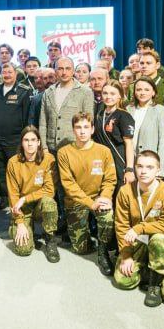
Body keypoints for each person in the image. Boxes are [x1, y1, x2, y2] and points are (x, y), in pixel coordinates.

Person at [113, 150, 164, 305]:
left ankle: (155, 284)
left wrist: (140, 228)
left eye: (149, 167)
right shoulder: (125, 191)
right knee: (124, 281)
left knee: (160, 239)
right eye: (140, 166)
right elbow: (121, 225)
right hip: (136, 241)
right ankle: (145, 268)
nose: (143, 171)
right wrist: (126, 255)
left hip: (157, 240)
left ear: (158, 170)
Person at [57, 113, 117, 269]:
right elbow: (69, 185)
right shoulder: (64, 153)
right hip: (77, 201)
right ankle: (80, 234)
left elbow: (110, 180)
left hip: (99, 197)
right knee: (80, 249)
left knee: (107, 215)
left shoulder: (104, 151)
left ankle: (102, 251)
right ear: (73, 130)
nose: (82, 131)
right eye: (78, 127)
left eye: (86, 127)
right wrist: (90, 203)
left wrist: (104, 198)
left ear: (92, 130)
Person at [6, 126, 59, 262]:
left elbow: (49, 190)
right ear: (22, 142)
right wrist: (20, 222)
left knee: (49, 203)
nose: (30, 144)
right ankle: (27, 228)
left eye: (33, 140)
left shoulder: (48, 159)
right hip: (22, 209)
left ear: (39, 142)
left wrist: (25, 198)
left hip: (39, 204)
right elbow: (13, 196)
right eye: (26, 140)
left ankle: (50, 239)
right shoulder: (13, 162)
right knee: (23, 250)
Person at [0, 62, 33, 208]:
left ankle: (21, 199)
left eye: (10, 72)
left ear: (16, 74)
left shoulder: (24, 91)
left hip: (15, 139)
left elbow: (29, 117)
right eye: (4, 72)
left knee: (17, 170)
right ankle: (4, 197)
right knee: (0, 170)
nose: (7, 75)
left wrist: (26, 139)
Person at [40, 58, 92, 155]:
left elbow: (89, 121)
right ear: (55, 71)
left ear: (73, 71)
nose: (64, 72)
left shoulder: (85, 92)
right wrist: (44, 148)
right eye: (60, 69)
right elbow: (43, 123)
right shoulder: (48, 92)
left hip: (75, 148)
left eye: (68, 68)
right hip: (51, 149)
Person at [94, 81, 136, 184]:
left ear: (120, 96)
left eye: (112, 94)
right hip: (102, 161)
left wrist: (129, 169)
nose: (108, 97)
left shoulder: (124, 116)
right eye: (105, 93)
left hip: (119, 160)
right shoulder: (99, 114)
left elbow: (129, 143)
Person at [127, 78, 164, 168]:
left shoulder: (161, 111)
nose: (142, 93)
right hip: (130, 163)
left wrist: (160, 169)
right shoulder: (128, 109)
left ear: (153, 92)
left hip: (151, 164)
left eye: (147, 90)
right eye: (139, 89)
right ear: (134, 92)